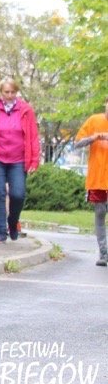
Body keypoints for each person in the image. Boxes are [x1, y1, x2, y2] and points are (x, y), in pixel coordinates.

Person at [0, 79, 41, 243]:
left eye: (13, 92)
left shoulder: (25, 110)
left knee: (18, 194)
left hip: (18, 160)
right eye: (6, 92)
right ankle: (1, 232)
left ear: (17, 92)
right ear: (1, 92)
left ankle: (13, 221)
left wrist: (34, 160)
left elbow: (33, 135)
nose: (9, 95)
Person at [74, 96, 108, 266]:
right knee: (100, 215)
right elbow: (77, 143)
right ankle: (104, 253)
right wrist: (94, 138)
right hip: (98, 179)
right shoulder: (94, 121)